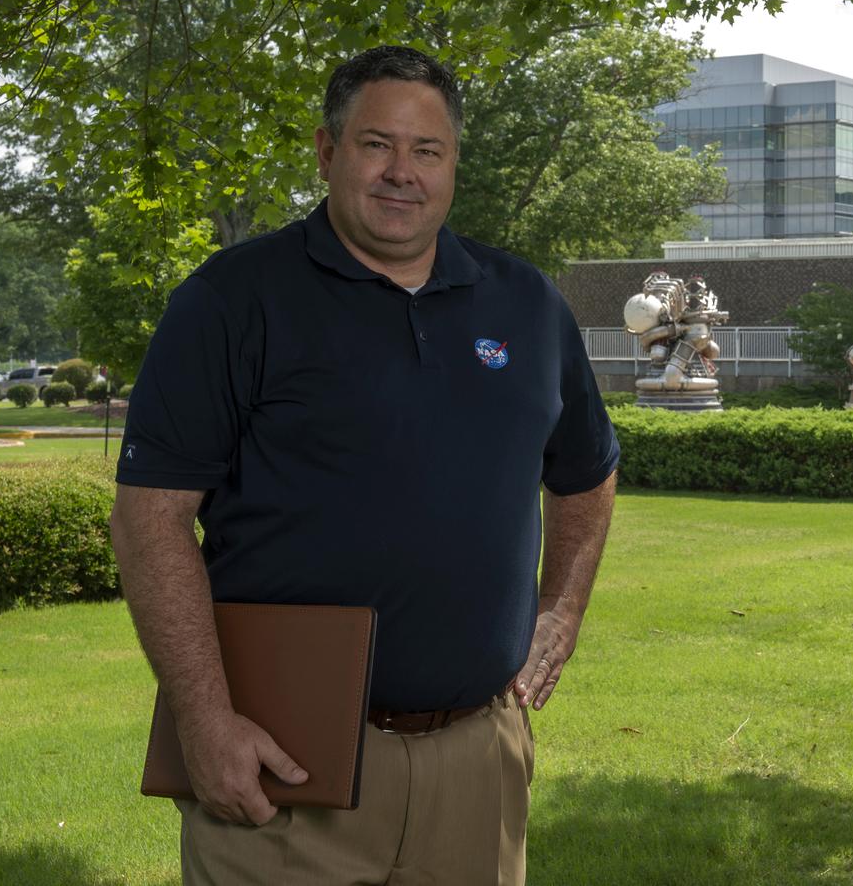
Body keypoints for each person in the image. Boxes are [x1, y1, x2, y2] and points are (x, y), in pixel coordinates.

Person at [110, 45, 619, 885]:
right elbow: (150, 517)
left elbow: (586, 473)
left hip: (475, 763)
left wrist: (559, 613)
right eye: (376, 144)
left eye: (428, 151)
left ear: (454, 162)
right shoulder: (232, 300)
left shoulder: (527, 304)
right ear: (326, 151)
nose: (401, 173)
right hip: (284, 764)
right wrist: (205, 722)